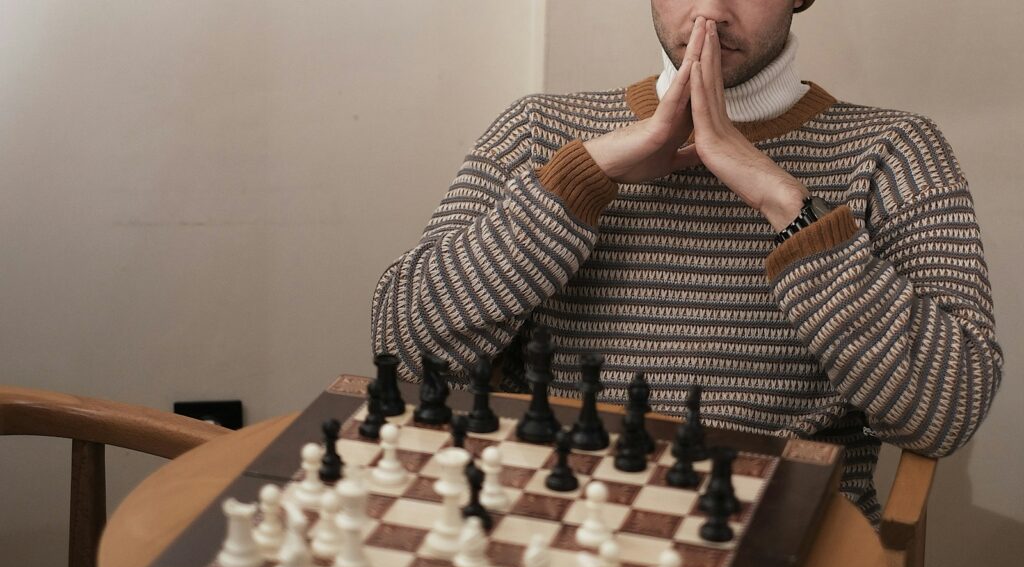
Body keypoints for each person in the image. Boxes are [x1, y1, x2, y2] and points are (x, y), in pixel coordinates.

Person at [370, 0, 1003, 528]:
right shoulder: (540, 128)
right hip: (557, 524)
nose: (709, 10)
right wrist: (579, 180)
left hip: (778, 538)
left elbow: (949, 409)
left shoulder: (895, 150)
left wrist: (786, 203)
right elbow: (403, 347)